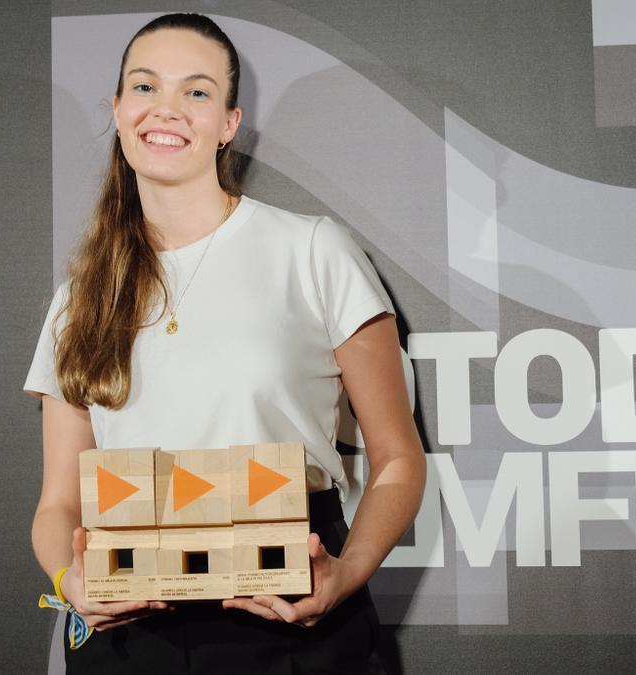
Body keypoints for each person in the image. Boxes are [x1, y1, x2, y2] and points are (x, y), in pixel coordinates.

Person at [24, 12, 426, 674]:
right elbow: (57, 503)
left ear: (230, 124)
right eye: (146, 87)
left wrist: (345, 574)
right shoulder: (78, 298)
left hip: (293, 619)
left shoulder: (312, 250)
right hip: (132, 637)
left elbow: (398, 460)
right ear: (119, 108)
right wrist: (71, 584)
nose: (168, 110)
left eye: (198, 91)